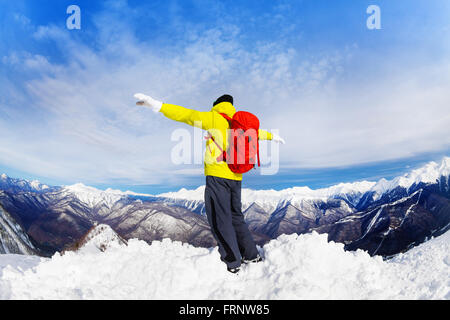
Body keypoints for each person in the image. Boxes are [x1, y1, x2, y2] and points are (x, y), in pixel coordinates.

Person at [134, 93, 285, 273]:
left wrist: (159, 106)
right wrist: (273, 137)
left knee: (220, 219)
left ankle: (232, 262)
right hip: (237, 176)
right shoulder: (239, 123)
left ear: (217, 105)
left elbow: (186, 115)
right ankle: (252, 255)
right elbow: (258, 133)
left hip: (217, 176)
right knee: (236, 216)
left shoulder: (213, 118)